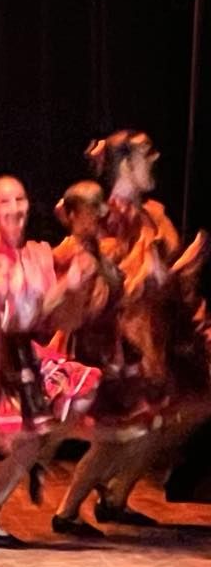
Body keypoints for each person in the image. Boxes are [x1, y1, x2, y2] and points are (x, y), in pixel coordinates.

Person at [0, 175, 101, 547]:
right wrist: (65, 286)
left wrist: (77, 284)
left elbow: (50, 318)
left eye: (20, 199)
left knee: (75, 395)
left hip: (21, 350)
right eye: (4, 202)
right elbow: (14, 317)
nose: (14, 209)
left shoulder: (37, 254)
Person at [87, 131, 208, 524]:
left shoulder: (153, 213)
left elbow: (164, 273)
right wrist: (154, 274)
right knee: (138, 421)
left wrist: (181, 267)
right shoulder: (109, 216)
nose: (154, 161)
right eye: (145, 156)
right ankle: (82, 500)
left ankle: (115, 492)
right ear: (125, 165)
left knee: (187, 410)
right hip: (128, 332)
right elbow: (112, 279)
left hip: (159, 327)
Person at [48, 180, 154, 537]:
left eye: (100, 208)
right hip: (85, 353)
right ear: (74, 214)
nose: (99, 215)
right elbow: (68, 308)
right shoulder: (70, 253)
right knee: (111, 436)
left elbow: (114, 296)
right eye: (91, 209)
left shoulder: (98, 249)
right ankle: (67, 509)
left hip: (106, 350)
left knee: (128, 433)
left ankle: (75, 506)